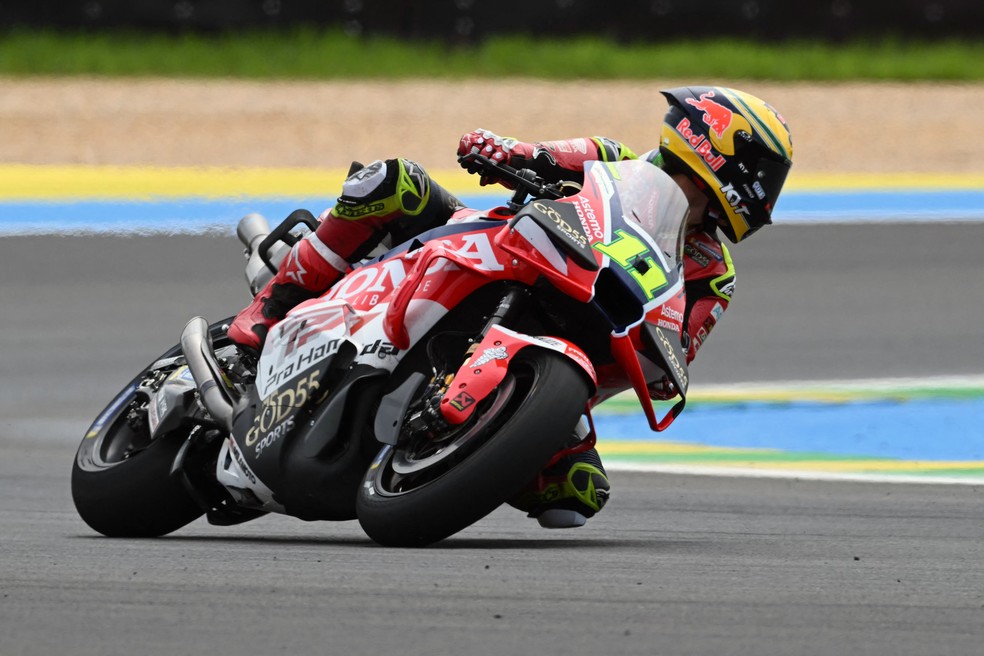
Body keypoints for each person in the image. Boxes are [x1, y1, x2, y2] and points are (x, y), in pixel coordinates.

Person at [228, 85, 794, 529]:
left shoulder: (713, 276)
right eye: (766, 172)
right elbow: (536, 155)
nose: (767, 191)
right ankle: (274, 305)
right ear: (717, 145)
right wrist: (499, 152)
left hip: (574, 343)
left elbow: (670, 360)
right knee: (393, 181)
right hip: (490, 254)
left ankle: (455, 451)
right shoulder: (610, 161)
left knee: (576, 491)